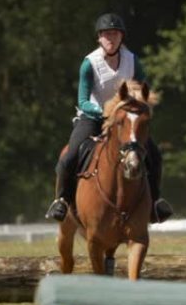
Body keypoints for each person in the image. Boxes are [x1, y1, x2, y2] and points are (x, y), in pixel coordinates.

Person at [45, 13, 173, 223]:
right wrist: (106, 113)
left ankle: (156, 203)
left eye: (114, 34)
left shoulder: (133, 61)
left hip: (124, 120)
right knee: (69, 156)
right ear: (99, 38)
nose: (110, 38)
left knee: (155, 155)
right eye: (105, 34)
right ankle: (62, 200)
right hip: (92, 117)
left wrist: (134, 110)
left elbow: (142, 93)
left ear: (121, 37)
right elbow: (83, 100)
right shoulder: (89, 63)